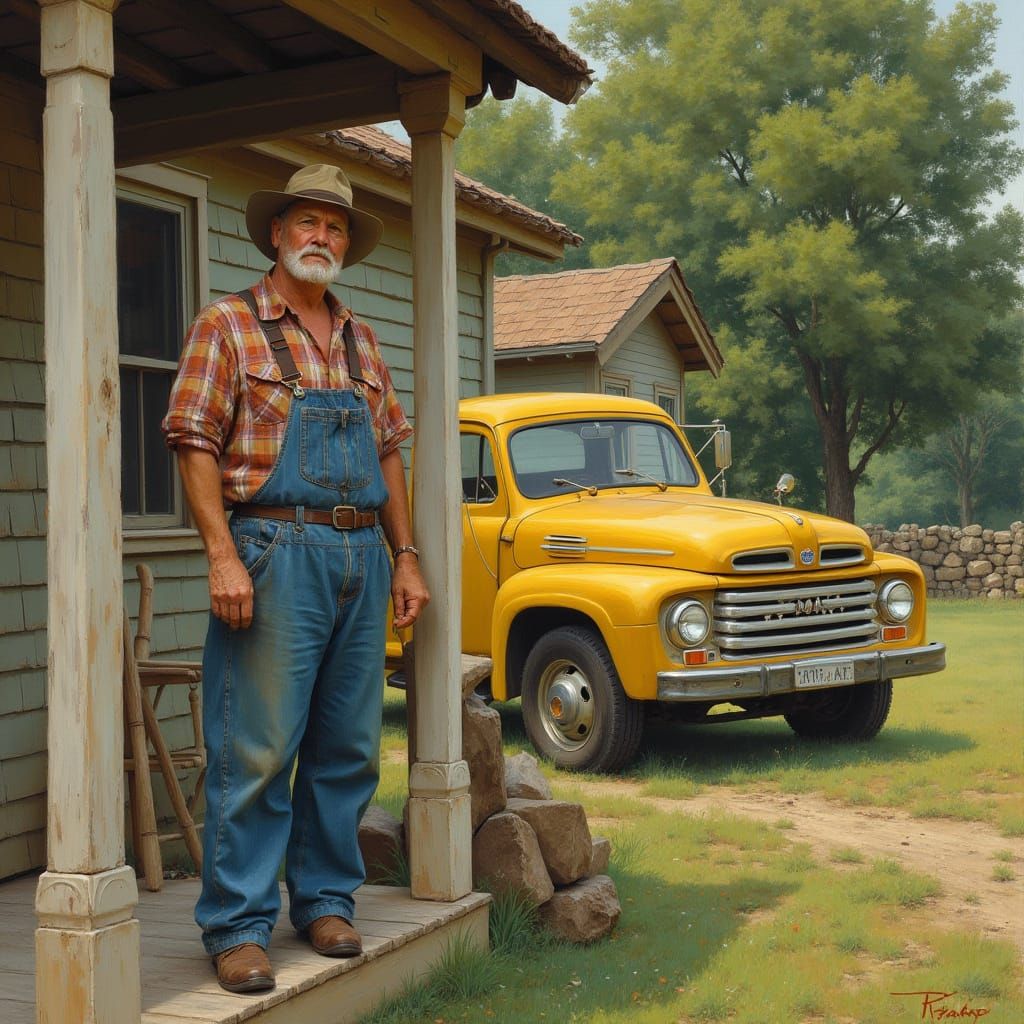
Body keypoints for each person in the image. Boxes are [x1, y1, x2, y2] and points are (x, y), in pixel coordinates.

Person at [162, 164, 429, 994]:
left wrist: (407, 554)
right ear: (276, 234)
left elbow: (387, 447)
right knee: (259, 746)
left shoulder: (359, 337)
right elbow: (192, 439)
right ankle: (238, 927)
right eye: (308, 223)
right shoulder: (229, 325)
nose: (323, 237)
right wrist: (221, 555)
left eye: (337, 227)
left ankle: (323, 901)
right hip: (273, 552)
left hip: (361, 554)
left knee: (346, 747)